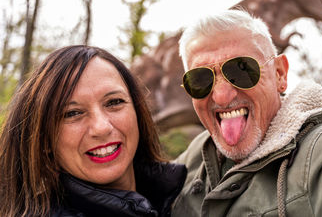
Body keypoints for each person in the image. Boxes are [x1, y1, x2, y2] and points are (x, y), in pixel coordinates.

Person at [171, 9, 322, 217]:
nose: (221, 95)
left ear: (280, 74)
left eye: (242, 69)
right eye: (200, 79)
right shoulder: (196, 154)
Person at [0, 45, 187, 217]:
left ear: (138, 112)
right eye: (72, 113)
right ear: (45, 140)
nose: (102, 127)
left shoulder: (184, 195)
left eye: (114, 102)